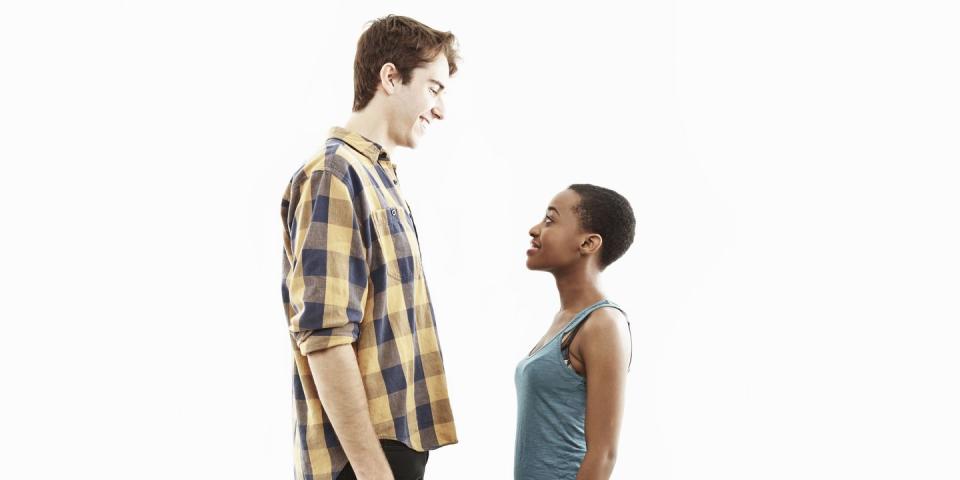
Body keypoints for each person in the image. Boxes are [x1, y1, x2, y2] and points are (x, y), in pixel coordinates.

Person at [280, 15, 459, 480]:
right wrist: (373, 472)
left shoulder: (377, 176)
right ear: (391, 77)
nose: (440, 110)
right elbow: (325, 337)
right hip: (363, 462)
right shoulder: (334, 176)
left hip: (392, 448)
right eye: (434, 89)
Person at [516, 184, 636, 479]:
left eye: (550, 220)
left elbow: (604, 454)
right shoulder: (565, 320)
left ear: (588, 243)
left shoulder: (603, 324)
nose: (534, 229)